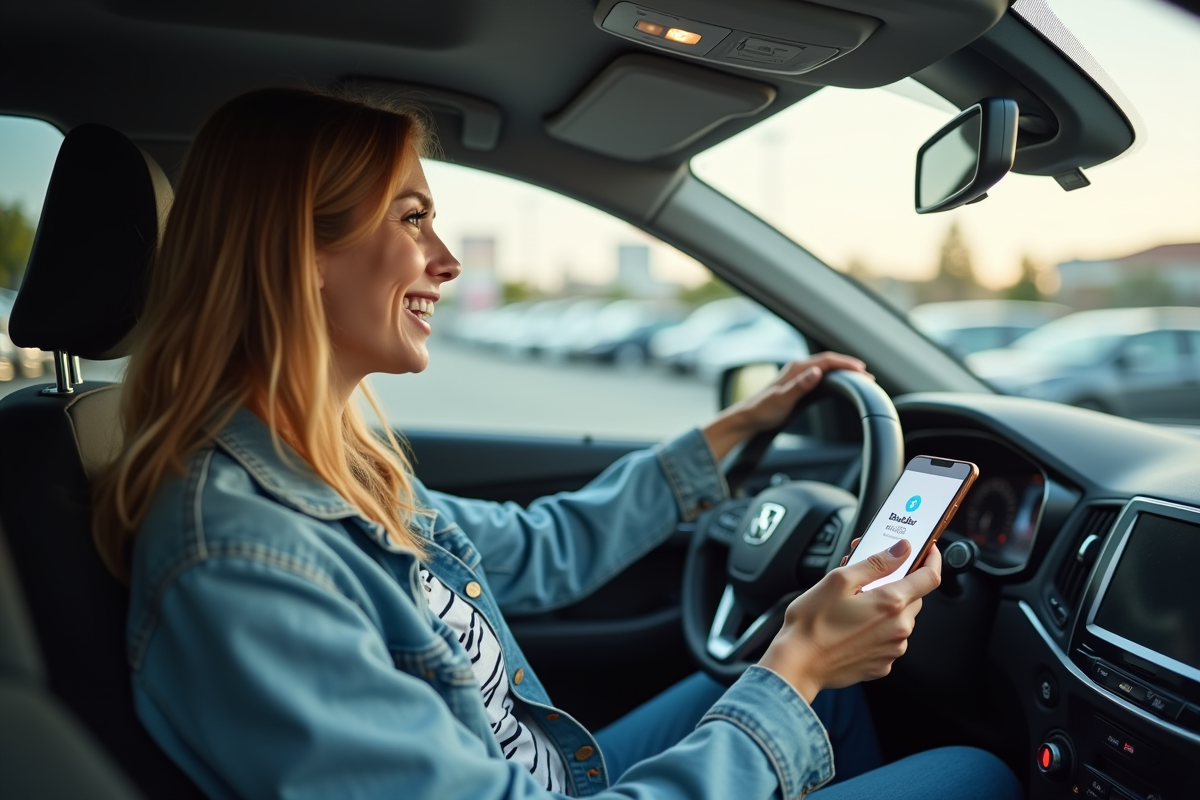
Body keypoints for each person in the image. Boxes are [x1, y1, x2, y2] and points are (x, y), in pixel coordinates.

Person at [93, 88, 1022, 800]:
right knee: (975, 776)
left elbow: (543, 546)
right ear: (300, 252)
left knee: (836, 699)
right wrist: (798, 661)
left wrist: (736, 429)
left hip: (549, 775)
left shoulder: (329, 466)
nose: (447, 259)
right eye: (412, 218)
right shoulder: (245, 557)